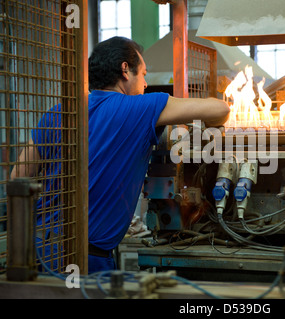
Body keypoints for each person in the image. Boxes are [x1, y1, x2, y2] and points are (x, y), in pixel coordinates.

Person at [10, 36, 230, 273]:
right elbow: (220, 109)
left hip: (36, 251)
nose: (145, 84)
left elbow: (17, 177)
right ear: (125, 69)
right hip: (85, 261)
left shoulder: (58, 112)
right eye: (143, 74)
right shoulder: (141, 108)